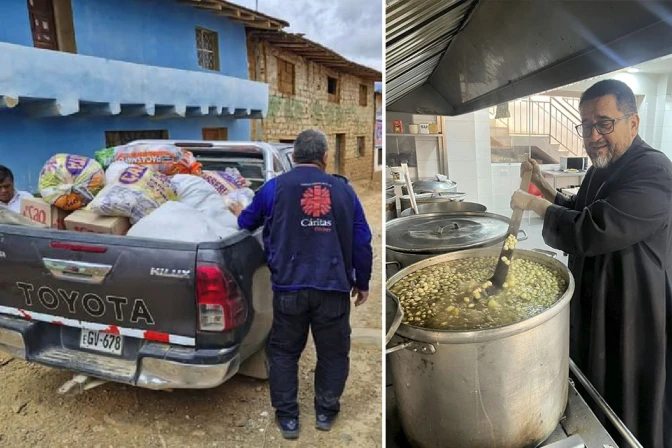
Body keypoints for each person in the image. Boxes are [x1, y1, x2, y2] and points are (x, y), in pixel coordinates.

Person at [511, 79, 671, 448]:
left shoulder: (655, 172)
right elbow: (579, 211)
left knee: (627, 391)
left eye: (604, 123)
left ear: (633, 122)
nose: (592, 135)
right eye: (585, 125)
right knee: (595, 378)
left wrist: (533, 205)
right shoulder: (603, 168)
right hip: (596, 296)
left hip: (634, 308)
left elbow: (592, 230)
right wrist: (540, 185)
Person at [229, 129, 373, 440]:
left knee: (283, 352)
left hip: (289, 290)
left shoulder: (274, 188)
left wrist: (239, 212)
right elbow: (362, 240)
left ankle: (289, 419)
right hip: (333, 289)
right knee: (334, 352)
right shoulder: (344, 191)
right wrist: (363, 282)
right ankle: (325, 411)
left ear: (294, 157)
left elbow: (245, 223)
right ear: (324, 158)